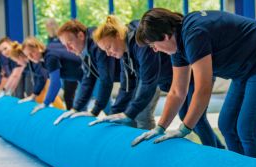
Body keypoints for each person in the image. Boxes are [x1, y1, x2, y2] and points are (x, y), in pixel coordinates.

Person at [132, 9, 256, 159]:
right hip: (244, 68)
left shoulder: (194, 34)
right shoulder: (178, 46)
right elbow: (177, 91)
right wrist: (160, 127)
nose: (154, 50)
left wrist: (185, 128)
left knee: (247, 129)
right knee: (227, 125)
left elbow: (203, 89)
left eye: (153, 45)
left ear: (165, 36)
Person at [88, 15, 222, 146]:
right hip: (174, 83)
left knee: (196, 119)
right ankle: (217, 148)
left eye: (109, 47)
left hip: (192, 75)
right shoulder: (126, 53)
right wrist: (115, 114)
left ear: (117, 36)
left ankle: (215, 152)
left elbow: (148, 81)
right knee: (185, 116)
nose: (108, 53)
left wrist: (129, 114)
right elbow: (127, 85)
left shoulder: (139, 44)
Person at [53, 19, 120, 125]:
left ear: (80, 35)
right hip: (130, 79)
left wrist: (95, 111)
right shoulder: (85, 50)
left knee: (136, 116)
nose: (68, 49)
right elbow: (88, 78)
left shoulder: (96, 44)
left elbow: (106, 79)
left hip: (138, 76)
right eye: (64, 45)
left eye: (69, 43)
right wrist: (75, 109)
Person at [18, 36, 83, 112]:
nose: (30, 57)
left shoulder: (50, 57)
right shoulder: (42, 60)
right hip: (82, 78)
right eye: (27, 55)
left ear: (39, 48)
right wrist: (33, 96)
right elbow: (41, 78)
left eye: (32, 53)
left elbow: (55, 83)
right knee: (78, 108)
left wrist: (45, 103)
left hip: (90, 76)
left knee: (79, 107)